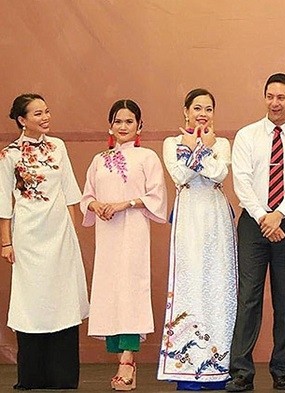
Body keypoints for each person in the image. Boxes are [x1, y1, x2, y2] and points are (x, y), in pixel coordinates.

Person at [228, 73, 285, 392]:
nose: (275, 103)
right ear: (264, 98)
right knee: (249, 297)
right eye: (270, 96)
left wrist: (278, 215)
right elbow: (241, 179)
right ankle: (240, 370)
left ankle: (283, 370)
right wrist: (264, 217)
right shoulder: (247, 135)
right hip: (254, 221)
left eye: (281, 97)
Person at [0, 94, 89, 389]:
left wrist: (72, 233)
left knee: (62, 298)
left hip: (59, 233)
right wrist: (6, 242)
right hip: (27, 236)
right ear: (22, 120)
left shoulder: (58, 147)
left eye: (47, 111)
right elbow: (4, 203)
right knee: (31, 300)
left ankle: (63, 375)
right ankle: (32, 375)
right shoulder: (9, 155)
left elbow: (70, 193)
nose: (46, 117)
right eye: (38, 113)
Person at [81, 99, 168, 390]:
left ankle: (128, 360)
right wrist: (96, 206)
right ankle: (121, 354)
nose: (123, 126)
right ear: (110, 125)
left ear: (140, 126)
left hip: (133, 232)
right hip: (106, 236)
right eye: (118, 121)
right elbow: (86, 196)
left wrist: (124, 204)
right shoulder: (98, 160)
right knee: (109, 293)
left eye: (129, 121)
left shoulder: (147, 157)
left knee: (131, 292)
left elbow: (156, 197)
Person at [157, 89, 238, 390]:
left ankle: (218, 366)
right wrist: (195, 149)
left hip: (216, 217)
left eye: (208, 108)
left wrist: (199, 150)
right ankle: (186, 367)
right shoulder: (170, 143)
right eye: (197, 108)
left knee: (218, 285)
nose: (202, 113)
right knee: (189, 284)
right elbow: (180, 177)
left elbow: (217, 174)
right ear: (185, 111)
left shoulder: (223, 143)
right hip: (188, 217)